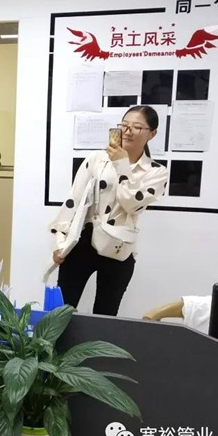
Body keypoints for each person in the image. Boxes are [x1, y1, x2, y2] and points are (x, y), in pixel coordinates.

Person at [50, 105, 168, 316]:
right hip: (83, 240)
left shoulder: (156, 172)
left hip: (119, 247)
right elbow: (73, 200)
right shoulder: (96, 159)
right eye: (124, 125)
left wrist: (122, 164)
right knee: (60, 311)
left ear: (152, 134)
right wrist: (61, 241)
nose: (128, 131)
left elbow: (131, 203)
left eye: (137, 127)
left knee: (106, 314)